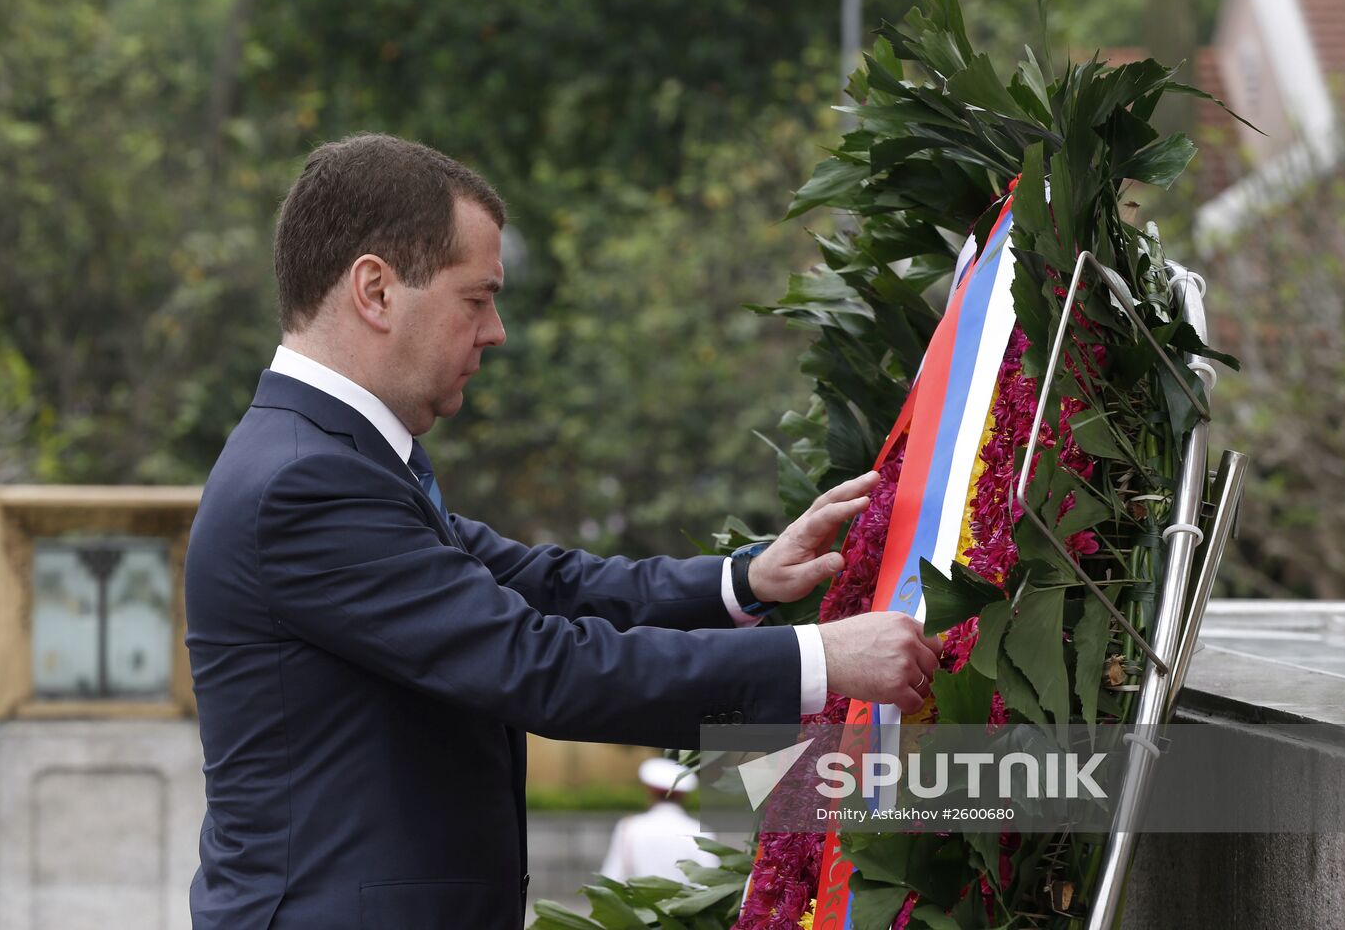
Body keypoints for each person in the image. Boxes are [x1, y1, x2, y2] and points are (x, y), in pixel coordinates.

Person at [184, 133, 942, 929]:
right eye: (475, 299)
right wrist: (823, 659)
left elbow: (546, 585)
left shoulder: (339, 458)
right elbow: (540, 665)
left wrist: (744, 580)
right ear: (375, 290)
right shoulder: (308, 483)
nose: (496, 331)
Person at [599, 757, 713, 883]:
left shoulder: (630, 827)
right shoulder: (700, 832)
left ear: (649, 790)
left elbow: (612, 879)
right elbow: (709, 883)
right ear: (683, 795)